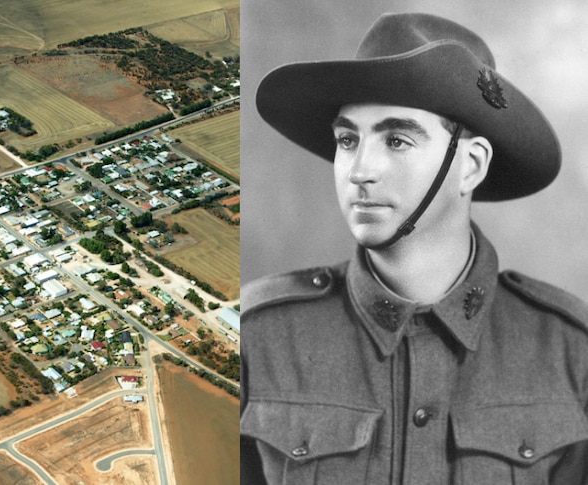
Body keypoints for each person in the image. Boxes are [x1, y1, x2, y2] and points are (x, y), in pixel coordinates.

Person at [240, 12, 588, 484]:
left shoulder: (568, 350)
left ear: (470, 166)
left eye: (398, 140)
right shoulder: (260, 338)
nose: (360, 170)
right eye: (347, 139)